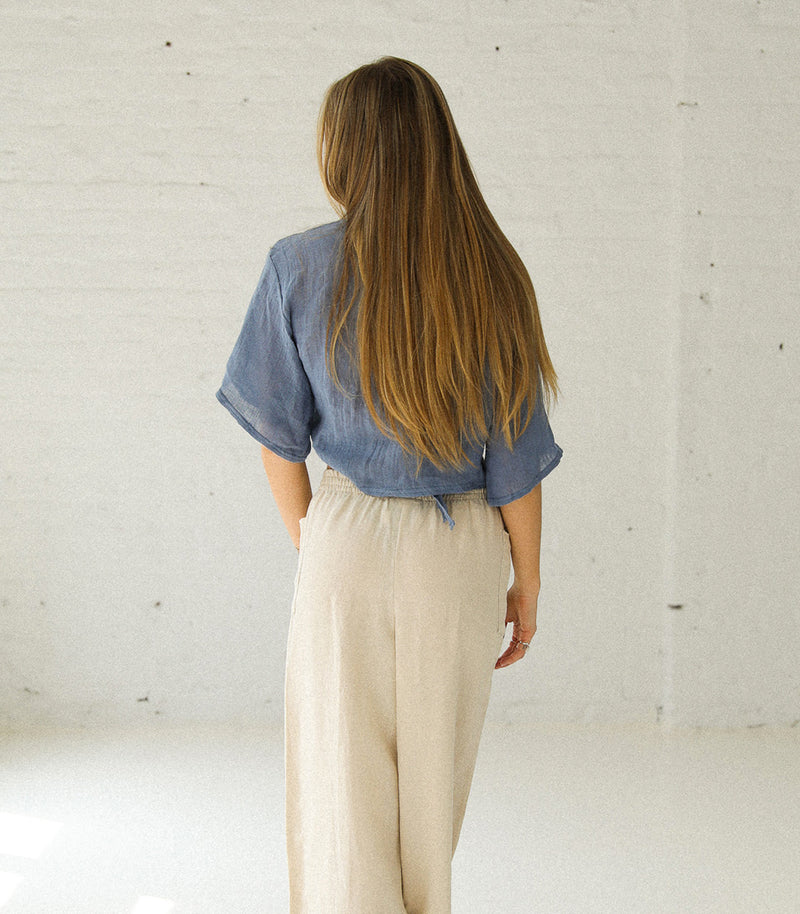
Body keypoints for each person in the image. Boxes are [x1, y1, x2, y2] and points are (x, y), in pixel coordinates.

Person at [216, 56, 562, 914]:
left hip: (346, 538)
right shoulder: (494, 271)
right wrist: (526, 581)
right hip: (459, 550)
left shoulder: (298, 266)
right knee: (431, 793)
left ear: (343, 150)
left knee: (341, 783)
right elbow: (515, 462)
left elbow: (276, 438)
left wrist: (317, 544)